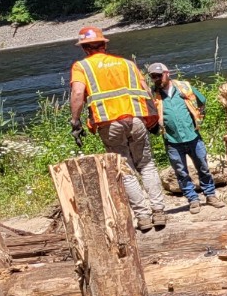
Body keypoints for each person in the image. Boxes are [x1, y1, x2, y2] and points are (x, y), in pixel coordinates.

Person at [68, 26, 166, 231]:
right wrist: (153, 119)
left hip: (108, 123)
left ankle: (143, 217)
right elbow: (146, 90)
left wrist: (75, 121)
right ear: (104, 44)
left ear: (85, 49)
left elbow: (78, 94)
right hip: (136, 119)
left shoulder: (82, 67)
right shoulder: (127, 64)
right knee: (146, 164)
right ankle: (159, 211)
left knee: (126, 169)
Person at [148, 63, 222, 212]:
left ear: (167, 73)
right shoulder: (153, 95)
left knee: (203, 167)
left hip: (193, 136)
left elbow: (202, 100)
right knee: (181, 172)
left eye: (159, 75)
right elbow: (149, 115)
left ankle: (210, 195)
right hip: (172, 141)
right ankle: (193, 199)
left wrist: (199, 116)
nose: (156, 79)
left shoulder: (184, 87)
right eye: (153, 76)